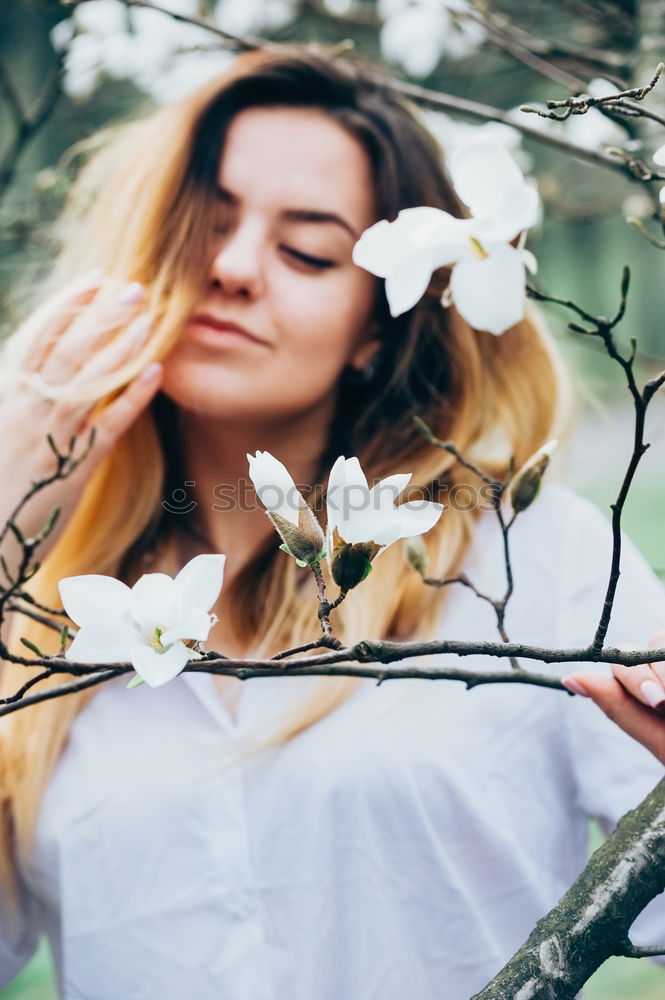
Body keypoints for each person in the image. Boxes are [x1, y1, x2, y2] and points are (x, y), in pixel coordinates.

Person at [0, 44, 663, 1000]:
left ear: (374, 329)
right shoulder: (47, 611)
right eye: (204, 226)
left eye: (306, 249)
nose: (230, 269)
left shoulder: (525, 560)